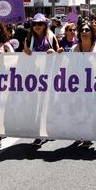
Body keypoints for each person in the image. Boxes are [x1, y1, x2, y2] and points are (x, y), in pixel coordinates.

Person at [23, 13, 59, 147]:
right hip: (33, 77)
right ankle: (39, 133)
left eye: (40, 24)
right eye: (35, 24)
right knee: (36, 106)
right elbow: (24, 54)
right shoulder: (29, 37)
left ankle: (45, 132)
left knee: (46, 105)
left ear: (45, 26)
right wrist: (24, 51)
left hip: (49, 76)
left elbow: (59, 54)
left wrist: (53, 53)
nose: (37, 26)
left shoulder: (51, 37)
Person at [70, 22, 96, 148]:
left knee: (90, 111)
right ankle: (79, 134)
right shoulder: (74, 49)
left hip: (93, 86)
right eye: (82, 30)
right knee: (78, 110)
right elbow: (69, 66)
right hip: (78, 84)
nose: (84, 32)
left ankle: (88, 136)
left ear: (92, 33)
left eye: (87, 30)